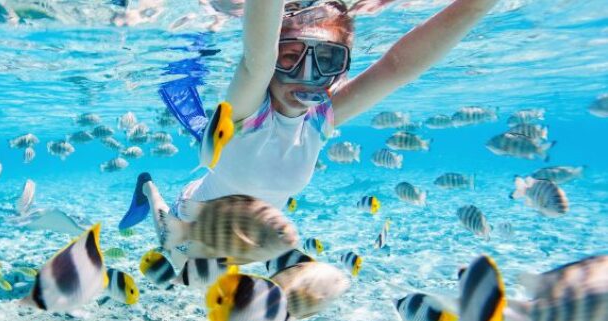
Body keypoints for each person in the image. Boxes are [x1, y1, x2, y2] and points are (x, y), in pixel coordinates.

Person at [120, 0, 501, 228]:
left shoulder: (319, 120)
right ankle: (149, 189)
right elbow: (257, 60)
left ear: (342, 68)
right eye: (290, 57)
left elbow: (396, 67)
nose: (307, 75)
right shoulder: (252, 109)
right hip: (191, 222)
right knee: (174, 255)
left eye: (326, 60)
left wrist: (476, 6)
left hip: (248, 239)